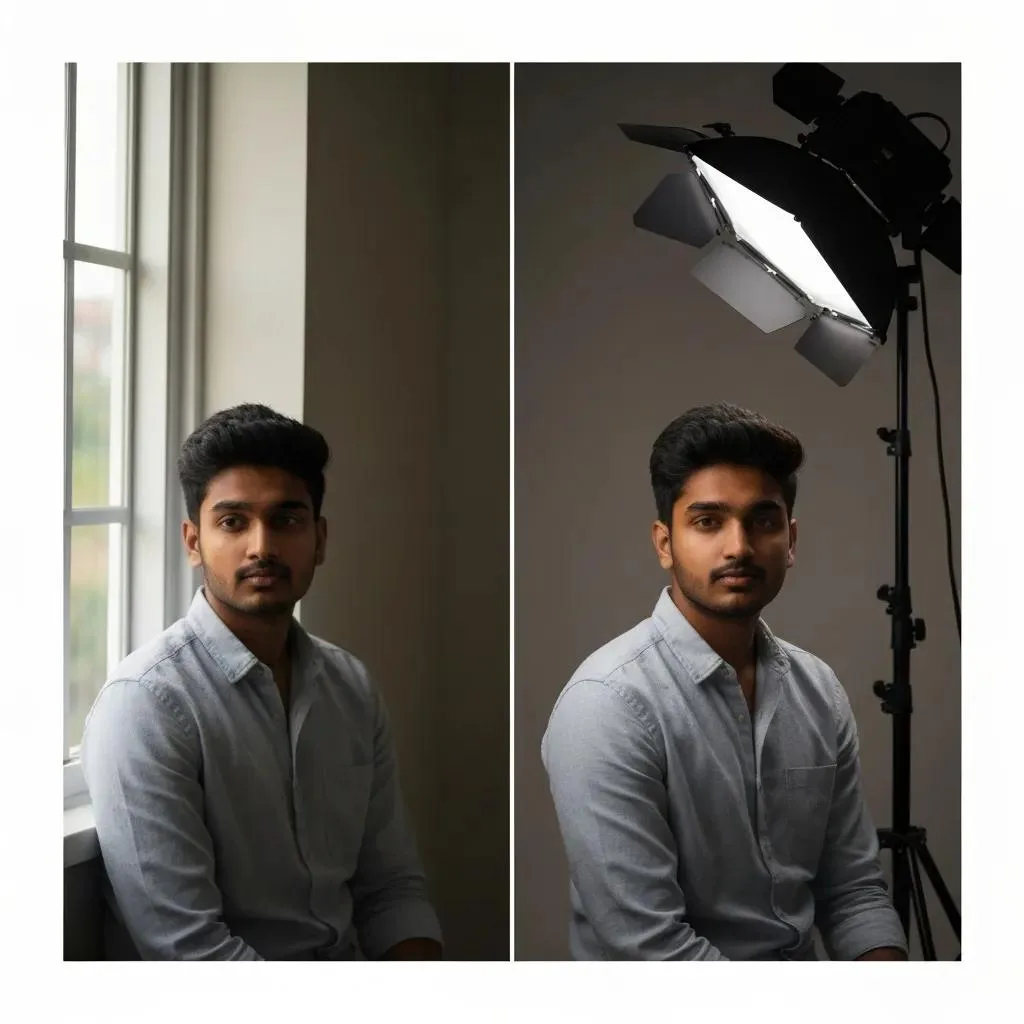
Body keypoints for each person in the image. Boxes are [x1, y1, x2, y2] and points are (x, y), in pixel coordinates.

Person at [541, 402, 908, 961]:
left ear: (790, 538)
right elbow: (652, 949)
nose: (738, 546)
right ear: (665, 543)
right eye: (708, 521)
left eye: (762, 520)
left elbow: (853, 892)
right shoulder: (606, 705)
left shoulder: (818, 688)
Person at [82, 404, 442, 961]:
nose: (262, 547)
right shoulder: (146, 704)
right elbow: (190, 953)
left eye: (286, 519)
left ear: (319, 539)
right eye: (232, 522)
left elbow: (391, 890)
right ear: (193, 541)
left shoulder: (350, 686)